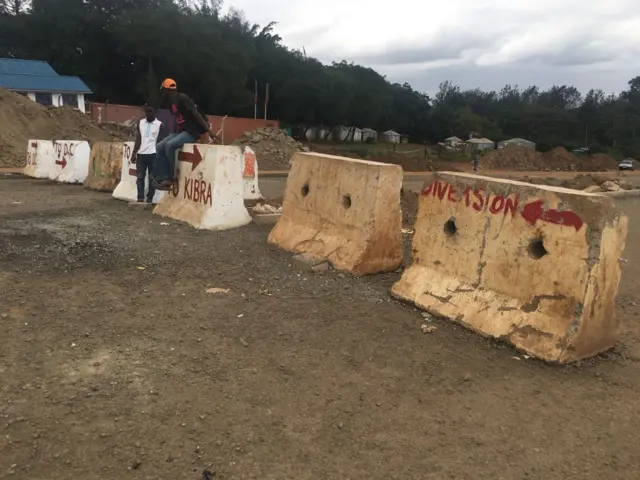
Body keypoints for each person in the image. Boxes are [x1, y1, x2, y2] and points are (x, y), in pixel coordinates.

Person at [153, 78, 220, 190]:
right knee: (159, 147)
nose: (162, 94)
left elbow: (196, 114)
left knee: (169, 145)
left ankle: (170, 178)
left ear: (167, 90)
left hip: (193, 132)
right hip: (183, 131)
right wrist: (174, 133)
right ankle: (163, 177)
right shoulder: (171, 104)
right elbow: (180, 120)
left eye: (163, 91)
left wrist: (209, 131)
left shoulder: (182, 98)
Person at [131, 105, 167, 203]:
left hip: (153, 154)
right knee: (140, 177)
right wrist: (134, 152)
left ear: (154, 112)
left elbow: (161, 141)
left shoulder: (160, 125)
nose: (149, 114)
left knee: (152, 178)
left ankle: (149, 198)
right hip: (141, 154)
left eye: (151, 111)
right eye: (147, 112)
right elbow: (139, 138)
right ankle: (140, 198)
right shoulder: (141, 123)